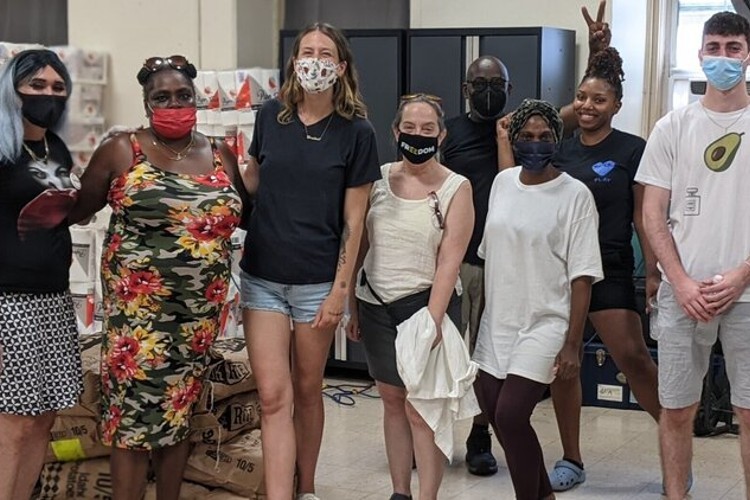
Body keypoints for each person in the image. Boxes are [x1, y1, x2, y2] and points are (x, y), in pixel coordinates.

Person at [442, 1, 611, 476]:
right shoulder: (450, 134)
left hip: (531, 278)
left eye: (497, 85)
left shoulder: (523, 127)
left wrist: (599, 55)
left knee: (512, 398)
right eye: (481, 85)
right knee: (481, 371)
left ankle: (488, 441)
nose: (489, 92)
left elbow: (579, 109)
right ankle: (476, 434)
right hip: (474, 263)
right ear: (465, 88)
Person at [68, 55, 243, 499]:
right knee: (131, 424)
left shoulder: (220, 152)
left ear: (196, 98)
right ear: (146, 103)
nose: (174, 103)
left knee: (178, 416)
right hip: (139, 322)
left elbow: (246, 215)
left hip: (197, 321)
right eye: (161, 97)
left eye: (183, 95)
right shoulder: (122, 149)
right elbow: (79, 209)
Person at [237, 23, 380, 500]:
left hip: (318, 282)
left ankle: (309, 487)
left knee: (306, 389)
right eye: (307, 52)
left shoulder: (356, 132)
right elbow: (258, 187)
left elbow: (355, 223)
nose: (314, 60)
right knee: (274, 397)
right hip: (262, 278)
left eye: (325, 53)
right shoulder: (269, 116)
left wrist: (341, 290)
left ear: (340, 67)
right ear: (294, 61)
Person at [637, 11, 750, 500]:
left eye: (733, 48)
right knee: (678, 410)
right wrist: (679, 281)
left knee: (749, 413)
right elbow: (651, 214)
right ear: (700, 54)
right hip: (684, 296)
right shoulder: (673, 126)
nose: (722, 57)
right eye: (714, 47)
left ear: (747, 55)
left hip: (747, 295)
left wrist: (744, 273)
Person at [346, 94, 474, 500]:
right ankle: (400, 491)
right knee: (392, 399)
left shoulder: (457, 188)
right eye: (410, 129)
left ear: (442, 134)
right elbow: (358, 245)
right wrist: (350, 302)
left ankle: (427, 496)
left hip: (426, 307)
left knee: (422, 409)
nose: (417, 136)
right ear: (395, 131)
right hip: (377, 304)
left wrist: (433, 321)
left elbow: (450, 260)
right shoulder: (378, 180)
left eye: (427, 129)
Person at [474, 99, 602, 500]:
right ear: (514, 140)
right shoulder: (502, 183)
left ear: (557, 140)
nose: (535, 143)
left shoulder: (574, 195)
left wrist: (572, 342)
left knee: (512, 416)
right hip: (498, 323)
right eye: (527, 137)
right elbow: (491, 256)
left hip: (547, 323)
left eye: (545, 136)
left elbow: (582, 276)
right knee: (494, 412)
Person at [545, 46, 661, 492]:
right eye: (581, 98)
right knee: (563, 366)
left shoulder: (633, 148)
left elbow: (641, 215)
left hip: (609, 266)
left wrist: (652, 271)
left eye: (598, 100)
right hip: (558, 271)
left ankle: (675, 443)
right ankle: (572, 459)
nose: (588, 106)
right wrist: (592, 68)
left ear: (617, 105)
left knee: (633, 357)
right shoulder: (558, 149)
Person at [0, 49, 82, 500]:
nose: (47, 95)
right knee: (12, 423)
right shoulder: (2, 149)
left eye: (56, 87)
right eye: (36, 86)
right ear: (13, 90)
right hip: (8, 303)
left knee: (43, 418)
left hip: (52, 298)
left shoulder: (56, 146)